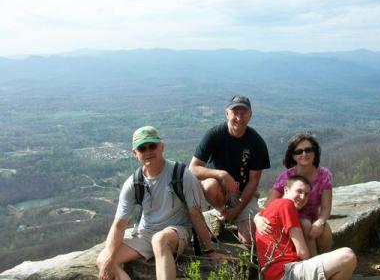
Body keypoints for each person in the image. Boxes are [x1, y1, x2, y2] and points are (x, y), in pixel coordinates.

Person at [96, 126, 224, 280]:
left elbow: (195, 214)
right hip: (145, 233)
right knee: (104, 261)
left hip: (176, 232)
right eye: (142, 148)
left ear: (162, 146)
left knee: (159, 239)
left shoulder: (182, 175)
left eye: (152, 146)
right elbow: (119, 225)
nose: (148, 151)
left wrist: (210, 250)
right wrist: (109, 256)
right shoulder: (133, 183)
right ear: (135, 153)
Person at [189, 95, 271, 244]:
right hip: (220, 191)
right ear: (227, 113)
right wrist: (221, 174)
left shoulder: (256, 142)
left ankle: (230, 217)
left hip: (244, 193)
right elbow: (193, 168)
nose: (239, 118)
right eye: (235, 112)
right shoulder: (214, 135)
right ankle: (223, 213)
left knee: (249, 238)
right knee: (209, 185)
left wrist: (237, 209)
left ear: (250, 115)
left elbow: (253, 181)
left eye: (244, 113)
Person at [255, 175, 356, 280]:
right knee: (347, 256)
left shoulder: (272, 206)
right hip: (286, 273)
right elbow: (302, 252)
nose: (303, 197)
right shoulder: (286, 205)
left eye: (307, 194)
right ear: (286, 189)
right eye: (299, 191)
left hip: (275, 273)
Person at [255, 133, 332, 256]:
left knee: (325, 230)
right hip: (290, 220)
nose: (304, 154)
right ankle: (312, 265)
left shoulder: (324, 175)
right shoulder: (286, 177)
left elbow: (326, 207)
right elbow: (268, 205)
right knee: (305, 224)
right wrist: (257, 218)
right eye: (299, 151)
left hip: (313, 219)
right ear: (293, 156)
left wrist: (320, 222)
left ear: (315, 152)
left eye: (308, 150)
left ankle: (324, 264)